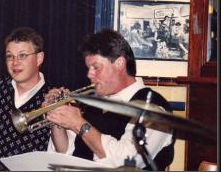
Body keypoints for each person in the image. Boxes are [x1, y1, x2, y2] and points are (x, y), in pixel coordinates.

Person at [45, 29, 175, 170]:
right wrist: (57, 117)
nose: (89, 74)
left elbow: (126, 161)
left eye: (96, 67)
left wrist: (79, 124)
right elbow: (66, 152)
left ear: (119, 63)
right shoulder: (94, 102)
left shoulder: (153, 107)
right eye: (88, 68)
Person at [0, 27, 51, 170]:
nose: (15, 63)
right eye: (9, 56)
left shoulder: (54, 97)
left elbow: (61, 152)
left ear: (39, 58)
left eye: (22, 55)